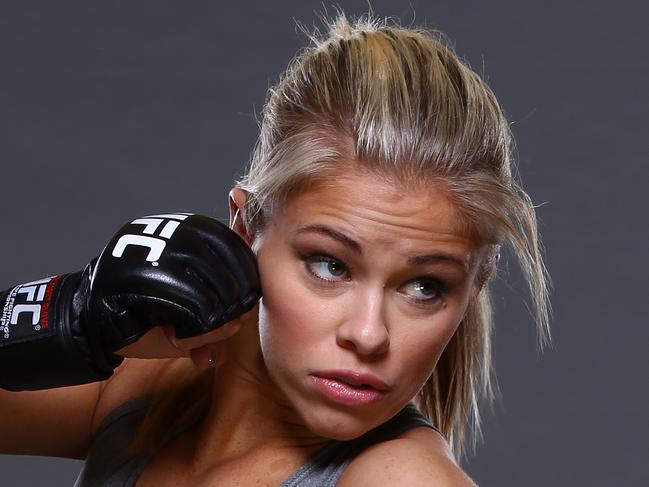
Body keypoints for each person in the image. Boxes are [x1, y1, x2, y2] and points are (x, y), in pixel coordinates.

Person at [0, 11, 550, 486]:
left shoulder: (399, 477)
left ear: (474, 285)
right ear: (244, 227)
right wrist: (70, 316)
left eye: (426, 286)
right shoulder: (143, 383)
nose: (368, 335)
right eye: (330, 265)